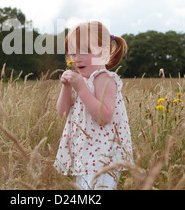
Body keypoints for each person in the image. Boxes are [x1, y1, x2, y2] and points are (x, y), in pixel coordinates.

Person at [54, 21, 133, 190]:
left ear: (104, 52)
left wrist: (81, 89)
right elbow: (62, 112)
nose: (77, 58)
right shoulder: (81, 79)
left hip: (104, 156)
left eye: (84, 51)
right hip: (84, 155)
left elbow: (104, 117)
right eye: (72, 54)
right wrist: (67, 87)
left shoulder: (104, 79)